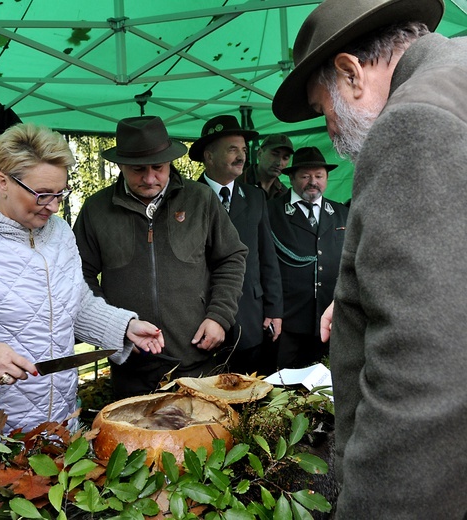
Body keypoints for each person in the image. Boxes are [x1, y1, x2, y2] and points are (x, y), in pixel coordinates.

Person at [272, 0, 467, 518]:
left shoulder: (414, 125)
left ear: (350, 72)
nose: (332, 134)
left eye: (323, 110)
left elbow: (426, 376)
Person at [0, 123, 164, 436]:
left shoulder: (59, 233)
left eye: (60, 193)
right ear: (2, 181)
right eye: (42, 194)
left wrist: (122, 326)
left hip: (61, 422)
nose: (54, 206)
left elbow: (75, 303)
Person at [73, 116, 247, 398]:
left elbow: (231, 257)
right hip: (129, 366)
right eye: (138, 169)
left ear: (170, 162)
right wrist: (114, 325)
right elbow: (79, 275)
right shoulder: (97, 210)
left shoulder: (200, 199)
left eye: (158, 167)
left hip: (196, 359)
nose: (150, 178)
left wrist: (219, 316)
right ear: (120, 165)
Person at [189, 115, 283, 375]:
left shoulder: (255, 197)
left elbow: (267, 256)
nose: (241, 156)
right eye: (232, 149)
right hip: (203, 317)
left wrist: (274, 309)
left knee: (252, 394)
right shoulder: (187, 199)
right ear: (209, 156)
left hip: (250, 316)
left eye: (243, 150)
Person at [267, 146, 348, 369]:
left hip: (331, 321)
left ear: (327, 178)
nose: (313, 182)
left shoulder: (342, 213)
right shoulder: (270, 212)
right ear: (291, 178)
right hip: (287, 321)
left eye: (319, 176)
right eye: (305, 176)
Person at [241, 134, 293, 199]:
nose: (279, 163)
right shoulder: (237, 183)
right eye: (275, 154)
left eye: (285, 158)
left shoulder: (284, 194)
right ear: (259, 154)